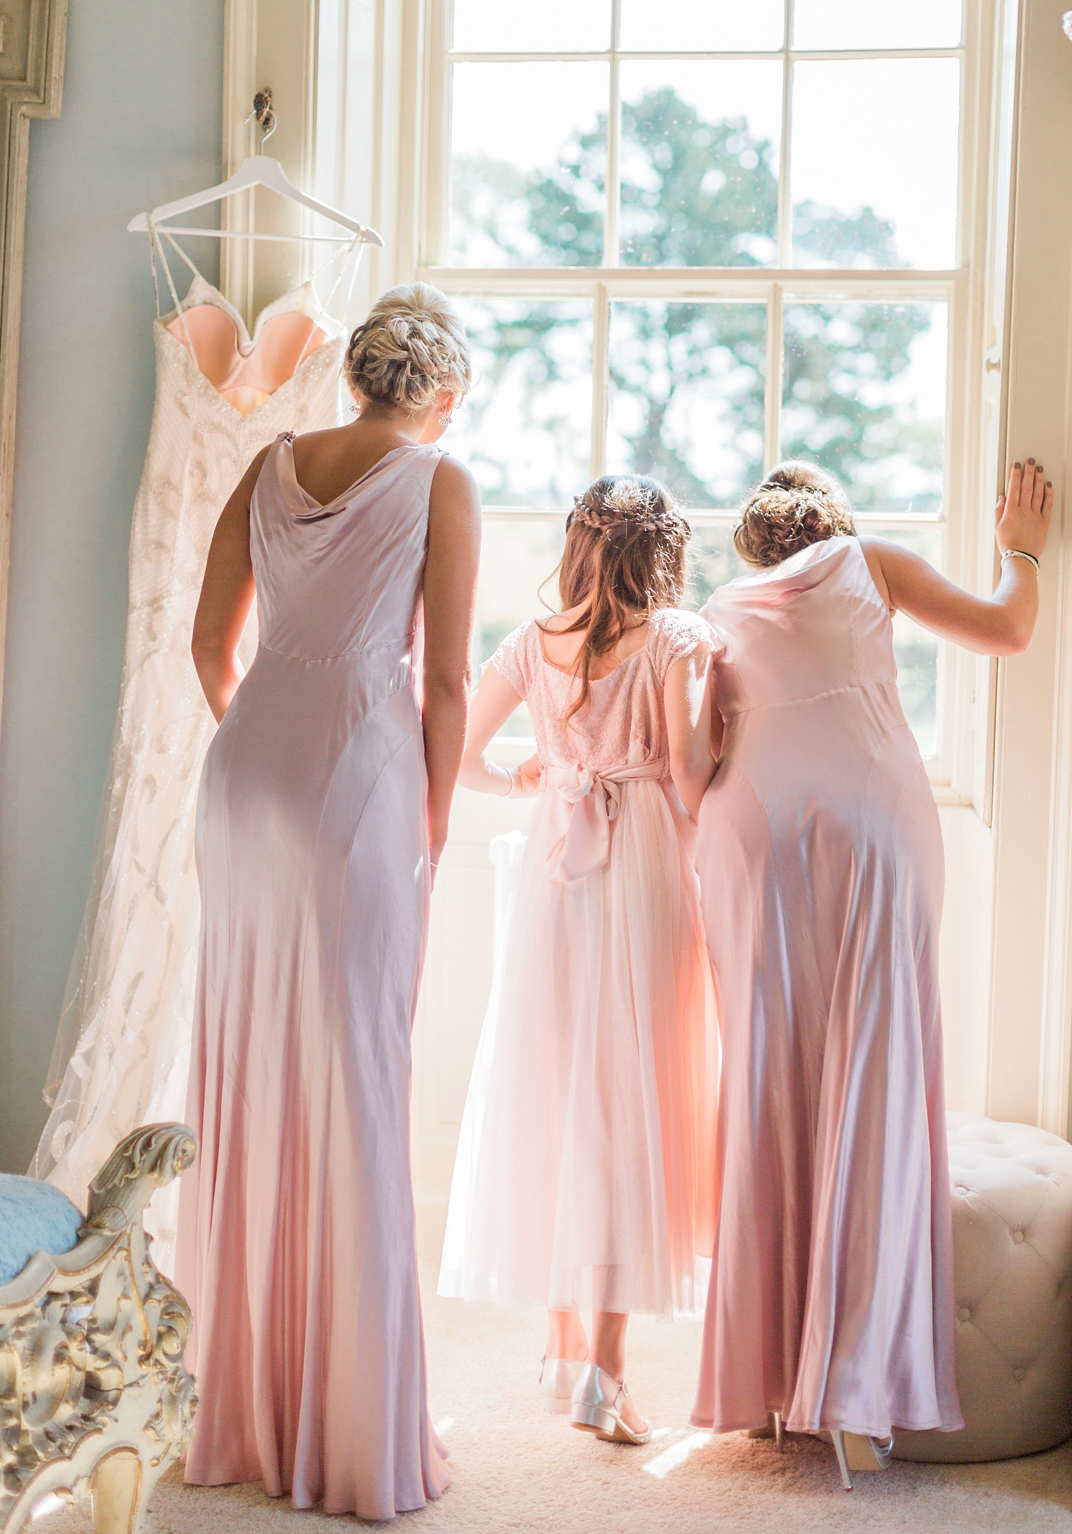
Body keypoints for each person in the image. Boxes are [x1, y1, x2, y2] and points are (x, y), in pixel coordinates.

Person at [175, 284, 480, 1518]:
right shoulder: (439, 482)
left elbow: (210, 646)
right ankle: (351, 1432)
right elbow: (448, 679)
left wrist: (263, 752)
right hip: (356, 783)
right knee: (355, 1087)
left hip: (244, 782)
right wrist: (434, 816)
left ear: (354, 378)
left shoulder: (271, 461)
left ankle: (250, 1404)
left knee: (254, 1073)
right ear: (443, 396)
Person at [691, 457, 1054, 1489]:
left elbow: (703, 750)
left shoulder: (718, 609)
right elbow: (1008, 628)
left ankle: (772, 1383)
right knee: (875, 1086)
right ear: (830, 528)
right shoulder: (869, 562)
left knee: (771, 1090)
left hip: (758, 838)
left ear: (751, 549)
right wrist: (1022, 548)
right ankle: (854, 1397)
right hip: (874, 832)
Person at [438, 475, 719, 1446]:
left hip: (558, 870)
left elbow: (459, 755)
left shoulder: (530, 642)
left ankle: (567, 1361)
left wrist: (531, 771)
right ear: (663, 556)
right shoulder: (678, 639)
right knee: (630, 1102)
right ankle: (607, 1371)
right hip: (638, 864)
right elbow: (686, 779)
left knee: (563, 1100)